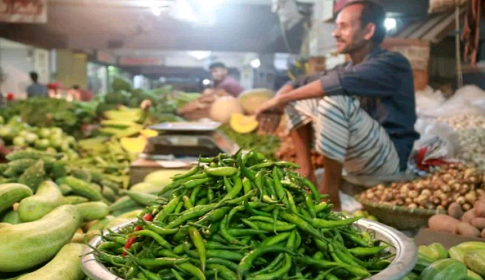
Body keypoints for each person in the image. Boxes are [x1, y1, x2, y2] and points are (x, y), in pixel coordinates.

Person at [256, 0, 419, 210]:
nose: (335, 33)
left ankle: (330, 192)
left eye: (343, 26)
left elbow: (333, 85)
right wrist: (278, 104)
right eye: (336, 26)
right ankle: (305, 173)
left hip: (389, 161)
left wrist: (279, 100)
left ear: (368, 31)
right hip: (359, 159)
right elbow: (295, 83)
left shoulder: (392, 63)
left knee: (333, 99)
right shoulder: (346, 67)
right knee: (298, 96)